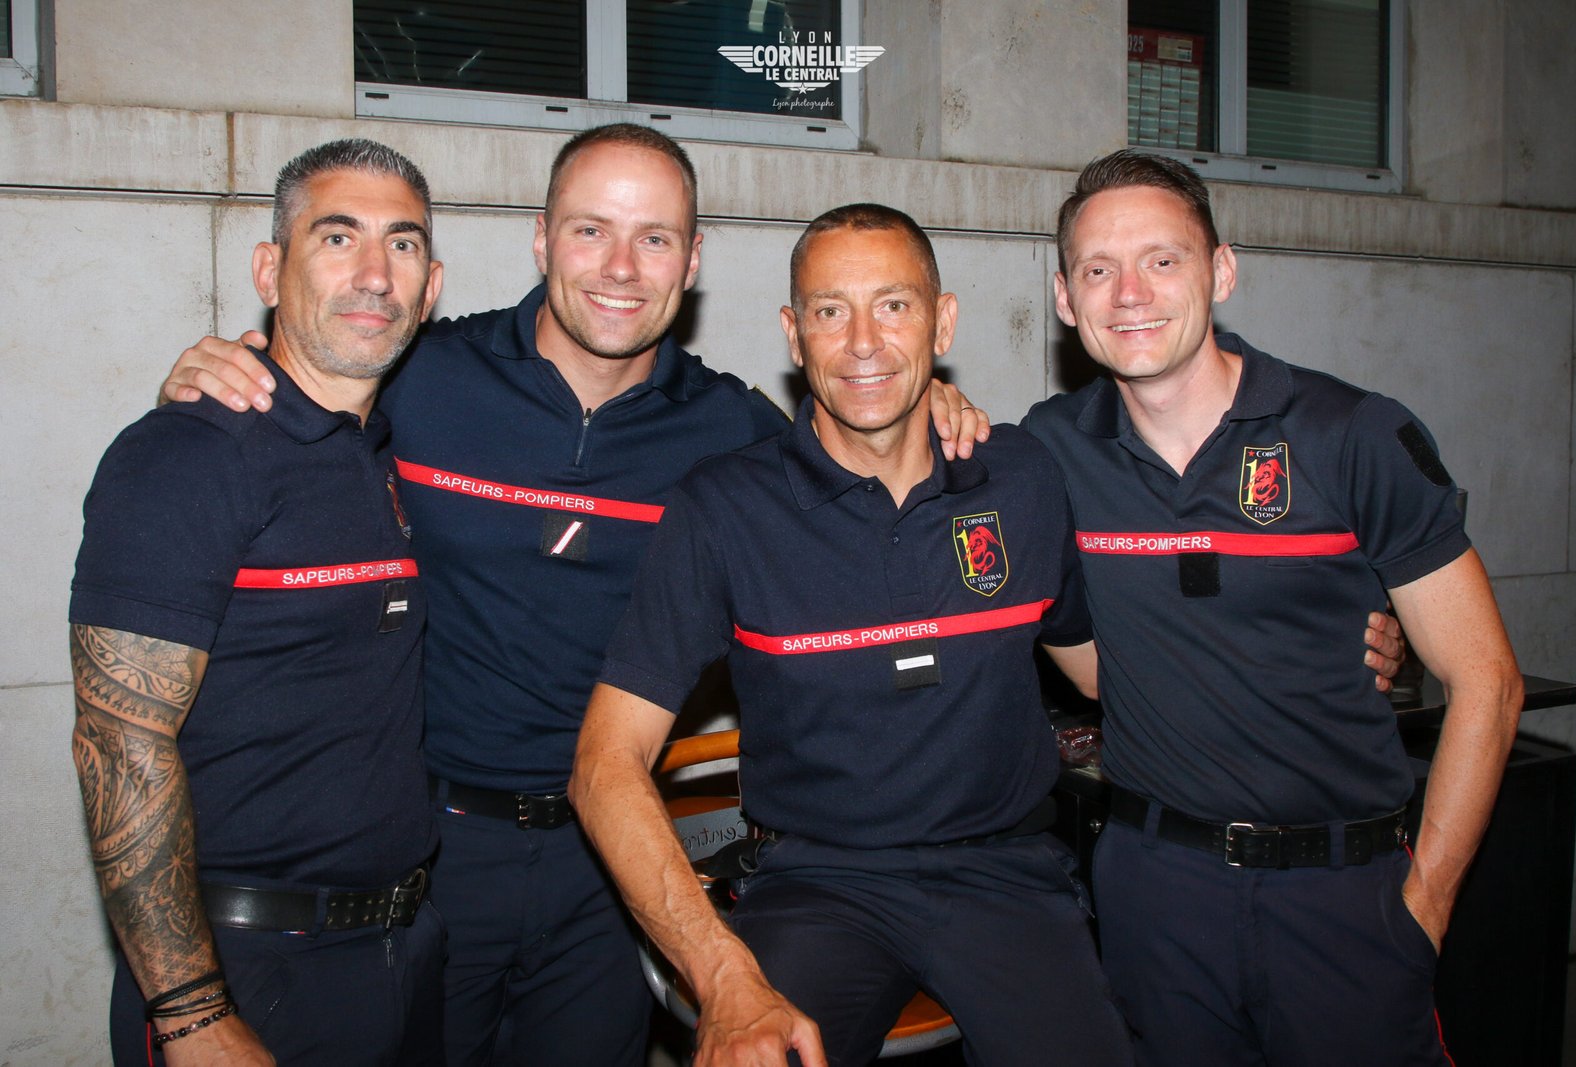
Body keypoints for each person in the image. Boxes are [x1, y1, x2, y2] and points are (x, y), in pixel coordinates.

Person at [158, 124, 989, 1066]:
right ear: (542, 239)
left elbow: (866, 449)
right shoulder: (419, 375)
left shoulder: (734, 433)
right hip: (424, 864)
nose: (621, 268)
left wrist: (934, 407)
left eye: (654, 238)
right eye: (592, 230)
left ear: (692, 261)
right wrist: (214, 375)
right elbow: (287, 407)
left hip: (612, 872)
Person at [570, 203, 1139, 1067]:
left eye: (895, 305)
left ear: (942, 323)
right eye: (831, 311)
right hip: (816, 884)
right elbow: (603, 762)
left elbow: (1103, 670)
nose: (864, 342)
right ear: (794, 336)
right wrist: (723, 973)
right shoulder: (725, 507)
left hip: (1009, 876)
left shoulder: (1021, 478)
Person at [1020, 150, 1524, 1067]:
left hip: (1345, 899)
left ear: (1221, 271)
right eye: (1098, 269)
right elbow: (1100, 673)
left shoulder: (1351, 433)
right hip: (1154, 899)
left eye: (1163, 259)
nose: (1130, 293)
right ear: (1064, 297)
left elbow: (1487, 680)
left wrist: (1425, 908)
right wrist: (936, 402)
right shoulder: (1049, 451)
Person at [70, 138, 446, 1064]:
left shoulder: (387, 451)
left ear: (431, 287)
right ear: (269, 271)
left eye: (401, 244)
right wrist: (191, 1012)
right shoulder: (187, 453)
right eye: (337, 237)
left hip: (401, 952)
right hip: (245, 968)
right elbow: (119, 742)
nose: (374, 274)